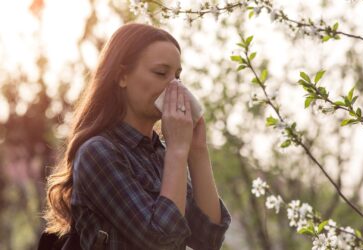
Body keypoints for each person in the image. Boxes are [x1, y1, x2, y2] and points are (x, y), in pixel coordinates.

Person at [42, 22, 231, 250]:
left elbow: (208, 240)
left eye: (178, 76)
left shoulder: (161, 154)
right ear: (122, 76)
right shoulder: (98, 152)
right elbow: (159, 240)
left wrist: (197, 152)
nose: (175, 87)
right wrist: (177, 152)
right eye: (161, 73)